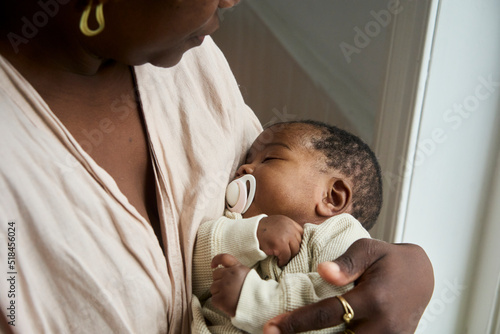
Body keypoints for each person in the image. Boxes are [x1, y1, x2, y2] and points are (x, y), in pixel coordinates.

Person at [0, 1, 434, 333]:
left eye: (266, 160)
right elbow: (210, 249)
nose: (232, 1)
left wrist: (410, 277)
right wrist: (251, 247)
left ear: (334, 198)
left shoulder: (184, 57)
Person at [191, 120, 382, 333]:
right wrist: (253, 234)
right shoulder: (237, 224)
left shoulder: (343, 236)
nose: (243, 169)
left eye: (270, 158)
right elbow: (192, 269)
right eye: (247, 160)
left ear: (332, 197)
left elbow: (330, 310)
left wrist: (251, 298)